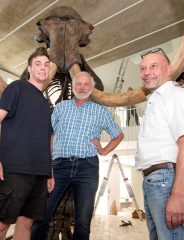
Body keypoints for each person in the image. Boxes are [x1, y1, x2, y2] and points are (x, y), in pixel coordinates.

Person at [31, 71, 124, 240]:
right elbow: (48, 135)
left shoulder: (101, 111)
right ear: (73, 87)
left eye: (86, 84)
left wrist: (103, 150)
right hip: (59, 167)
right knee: (42, 215)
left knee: (83, 222)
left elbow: (118, 135)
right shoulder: (60, 108)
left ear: (92, 87)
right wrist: (48, 166)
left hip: (87, 168)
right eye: (78, 84)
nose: (82, 87)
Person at [0, 47, 53, 240]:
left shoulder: (46, 103)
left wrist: (50, 173)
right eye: (38, 64)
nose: (43, 68)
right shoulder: (17, 87)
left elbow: (46, 140)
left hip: (39, 174)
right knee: (1, 225)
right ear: (30, 69)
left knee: (26, 224)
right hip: (15, 169)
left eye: (46, 65)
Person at [135, 48, 184, 240]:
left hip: (167, 180)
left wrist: (178, 195)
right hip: (154, 182)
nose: (146, 72)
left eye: (154, 66)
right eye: (142, 68)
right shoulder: (155, 101)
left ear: (169, 69)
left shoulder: (178, 97)